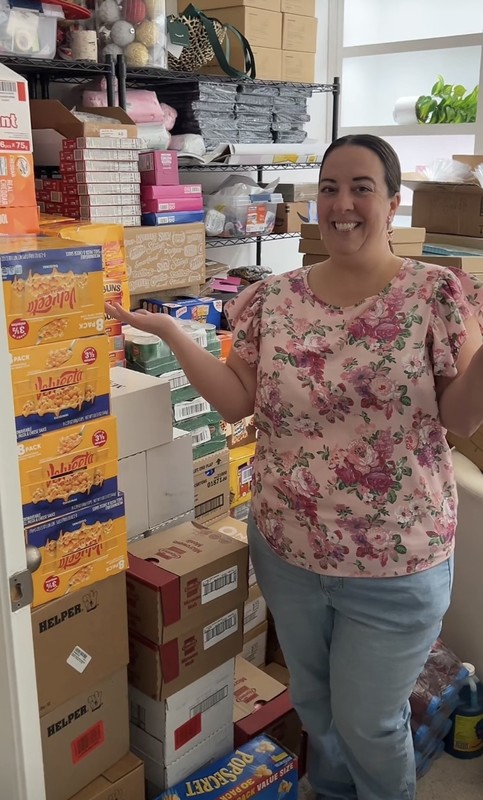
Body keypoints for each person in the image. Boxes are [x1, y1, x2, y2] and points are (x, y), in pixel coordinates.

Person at [106, 135, 483, 800]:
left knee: (368, 723)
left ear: (392, 202)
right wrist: (168, 334)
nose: (341, 203)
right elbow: (234, 401)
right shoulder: (270, 299)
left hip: (396, 564)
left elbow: (459, 418)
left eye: (360, 187)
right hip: (288, 550)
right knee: (316, 709)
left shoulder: (435, 295)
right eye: (328, 188)